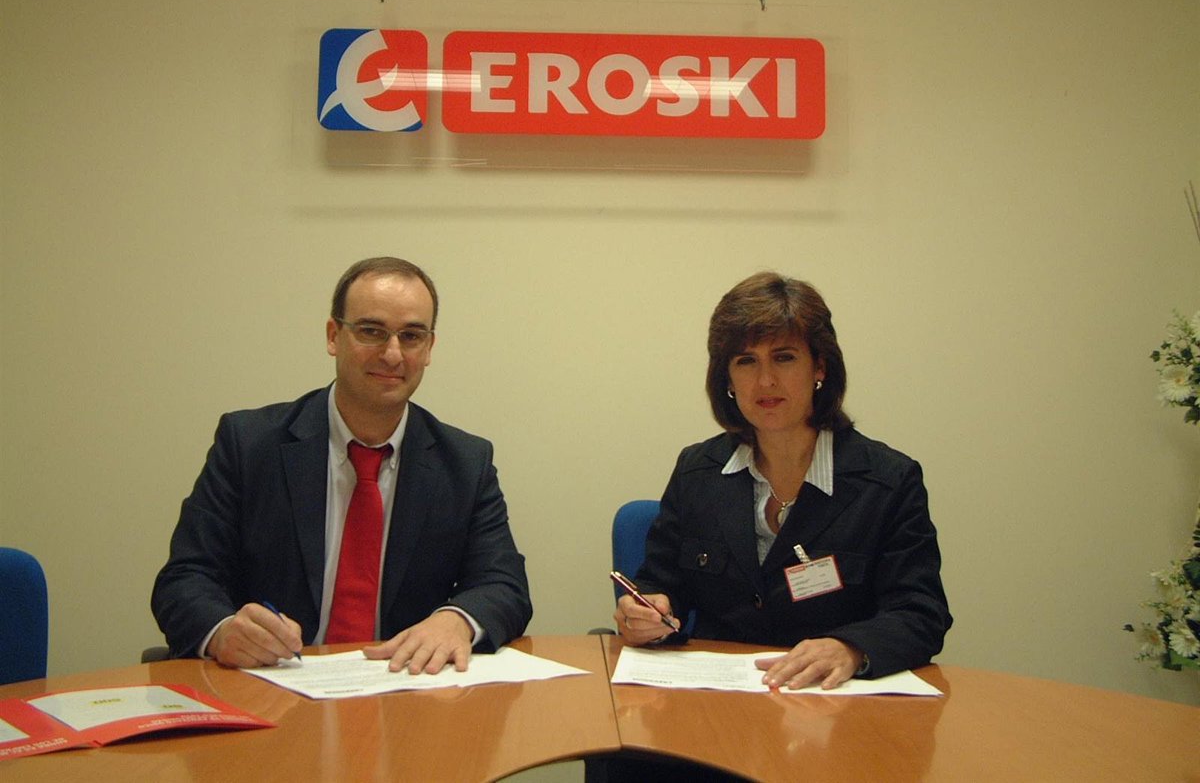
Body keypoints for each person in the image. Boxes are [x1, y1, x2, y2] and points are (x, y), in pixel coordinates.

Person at [152, 257, 532, 674]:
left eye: (411, 336)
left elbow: (504, 584)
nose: (392, 354)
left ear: (428, 349)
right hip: (274, 684)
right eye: (371, 331)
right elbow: (184, 579)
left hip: (403, 688)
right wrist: (224, 631)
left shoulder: (465, 463)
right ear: (334, 336)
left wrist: (456, 620)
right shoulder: (250, 444)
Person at [615, 272, 951, 690]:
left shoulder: (887, 482)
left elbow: (920, 613)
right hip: (719, 702)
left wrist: (850, 648)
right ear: (727, 379)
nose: (765, 381)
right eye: (746, 361)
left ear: (820, 367)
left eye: (785, 357)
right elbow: (659, 586)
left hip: (833, 705)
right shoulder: (697, 471)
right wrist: (646, 612)